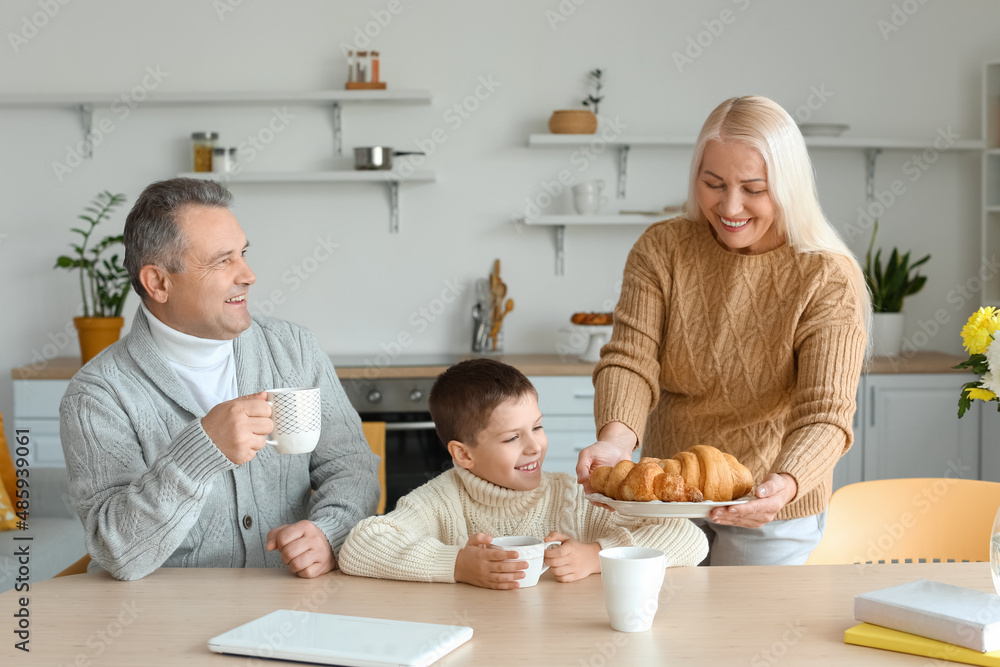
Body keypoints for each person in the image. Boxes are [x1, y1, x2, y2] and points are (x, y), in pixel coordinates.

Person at [577, 95, 870, 566]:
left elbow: (826, 412)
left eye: (753, 188)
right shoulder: (663, 249)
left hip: (769, 506)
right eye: (713, 184)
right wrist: (615, 441)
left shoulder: (824, 276)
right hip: (668, 497)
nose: (730, 206)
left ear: (788, 185)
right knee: (664, 634)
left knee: (747, 637)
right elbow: (630, 360)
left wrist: (787, 483)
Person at [59, 178, 380, 581]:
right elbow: (118, 552)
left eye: (242, 254)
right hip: (160, 625)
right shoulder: (98, 395)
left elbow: (352, 467)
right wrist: (200, 452)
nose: (248, 274)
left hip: (291, 608)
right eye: (222, 261)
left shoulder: (294, 349)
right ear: (158, 282)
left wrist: (328, 533)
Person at [338, 358, 707, 588]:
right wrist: (457, 564)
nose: (534, 447)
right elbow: (359, 546)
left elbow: (690, 539)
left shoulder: (573, 495)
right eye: (513, 437)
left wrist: (597, 556)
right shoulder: (441, 499)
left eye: (538, 427)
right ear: (463, 455)